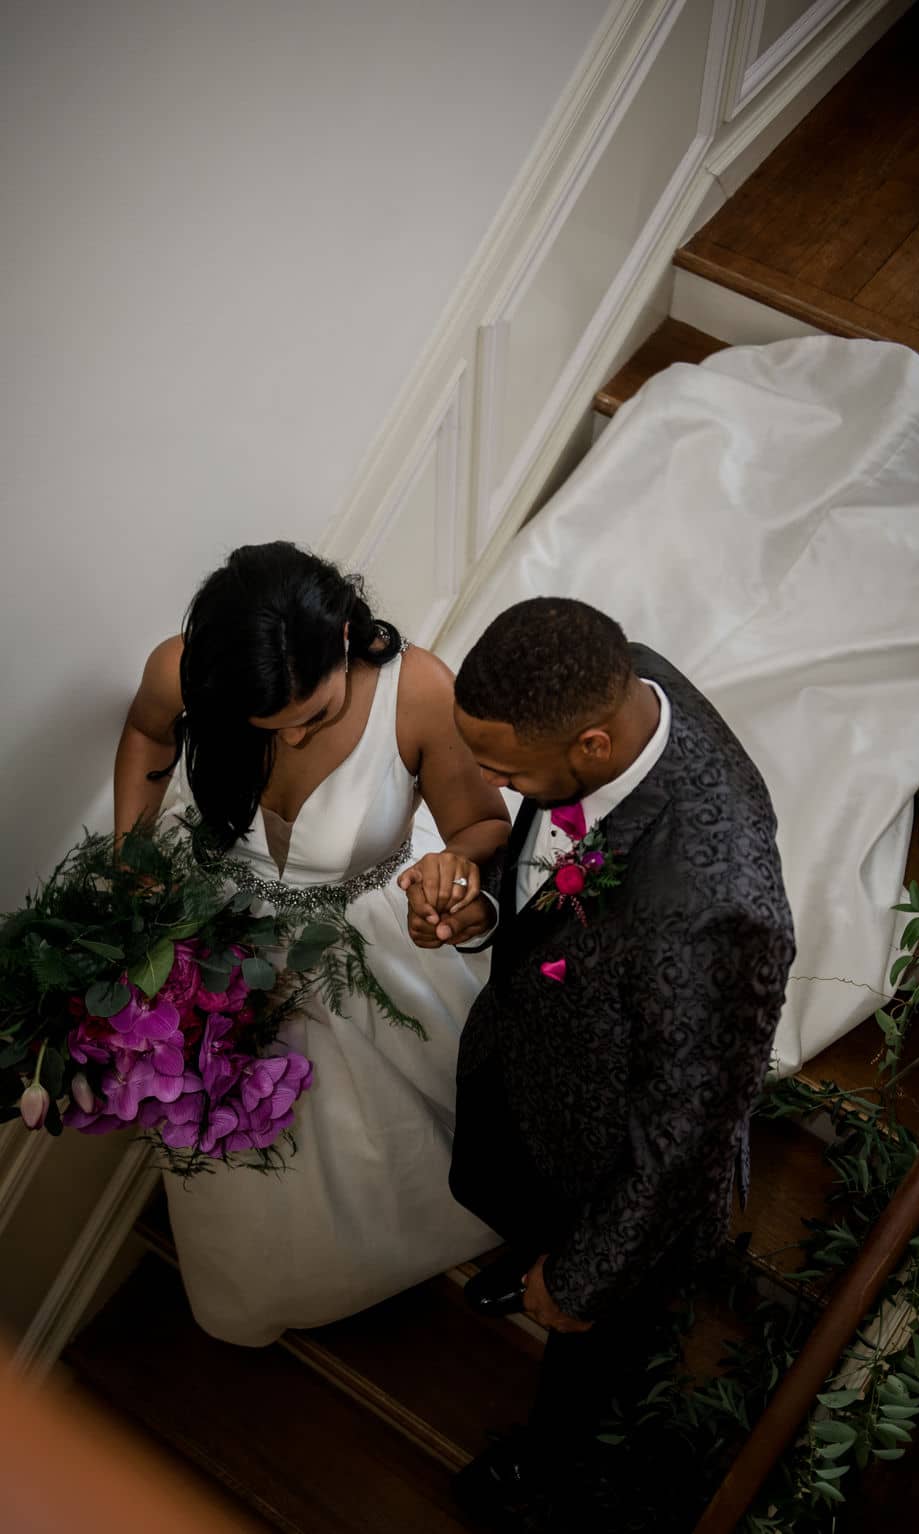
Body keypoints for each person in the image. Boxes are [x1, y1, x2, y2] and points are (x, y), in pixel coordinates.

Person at [402, 597, 795, 1522]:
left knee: (593, 1359)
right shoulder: (625, 679)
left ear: (590, 749)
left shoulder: (714, 908)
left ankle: (549, 1471)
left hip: (615, 1170)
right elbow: (540, 871)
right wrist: (488, 908)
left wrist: (582, 1277)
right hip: (537, 1073)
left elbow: (688, 1128)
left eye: (499, 766)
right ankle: (533, 1249)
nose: (479, 781)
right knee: (505, 1190)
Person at [115, 541, 509, 1345]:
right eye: (270, 727)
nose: (292, 742)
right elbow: (148, 735)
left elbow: (481, 822)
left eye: (316, 716)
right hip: (217, 947)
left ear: (342, 637)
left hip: (363, 944)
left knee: (388, 1146)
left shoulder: (419, 691)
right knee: (236, 1146)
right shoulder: (184, 669)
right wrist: (130, 854)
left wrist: (451, 868)